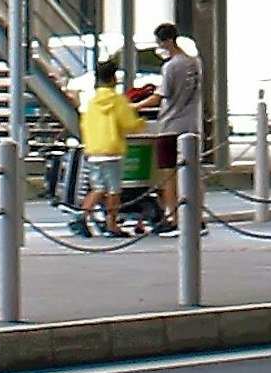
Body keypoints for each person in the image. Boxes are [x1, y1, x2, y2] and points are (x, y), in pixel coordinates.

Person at [149, 20, 206, 233]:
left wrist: (133, 104)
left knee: (168, 174)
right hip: (192, 125)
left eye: (159, 43)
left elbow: (159, 97)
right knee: (194, 173)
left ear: (166, 41)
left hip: (171, 125)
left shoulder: (171, 66)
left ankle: (172, 217)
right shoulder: (195, 62)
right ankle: (198, 217)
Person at [72, 52, 137, 237]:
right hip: (112, 151)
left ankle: (82, 215)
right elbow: (129, 124)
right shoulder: (117, 101)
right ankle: (112, 224)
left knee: (98, 187)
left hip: (94, 151)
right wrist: (139, 124)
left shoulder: (92, 102)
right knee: (114, 190)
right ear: (114, 78)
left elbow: (85, 124)